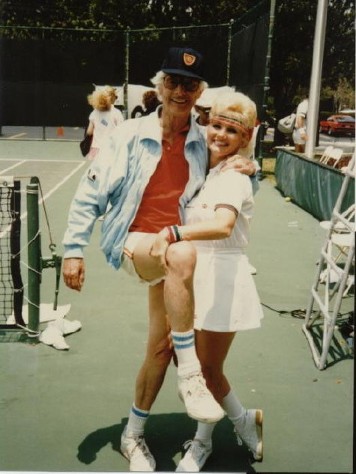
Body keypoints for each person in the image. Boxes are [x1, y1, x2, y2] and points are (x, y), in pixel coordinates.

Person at [62, 47, 257, 472]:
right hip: (141, 244)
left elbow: (230, 160)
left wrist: (249, 164)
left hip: (180, 266)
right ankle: (191, 378)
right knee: (182, 252)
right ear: (160, 86)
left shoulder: (201, 140)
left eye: (190, 84)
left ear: (199, 90)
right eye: (172, 81)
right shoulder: (127, 134)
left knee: (160, 347)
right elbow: (90, 193)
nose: (180, 90)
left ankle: (131, 436)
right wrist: (74, 249)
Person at [150, 91, 264, 471]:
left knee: (206, 370)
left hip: (222, 278)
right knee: (201, 369)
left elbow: (224, 225)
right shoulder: (207, 170)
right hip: (196, 275)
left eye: (231, 131)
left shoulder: (234, 177)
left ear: (245, 138)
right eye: (215, 125)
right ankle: (244, 420)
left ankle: (203, 443)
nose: (219, 135)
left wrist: (174, 233)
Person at [85, 86, 124, 160]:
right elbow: (121, 131)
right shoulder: (117, 113)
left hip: (96, 148)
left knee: (96, 170)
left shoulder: (94, 112)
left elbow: (89, 132)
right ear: (113, 98)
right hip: (111, 149)